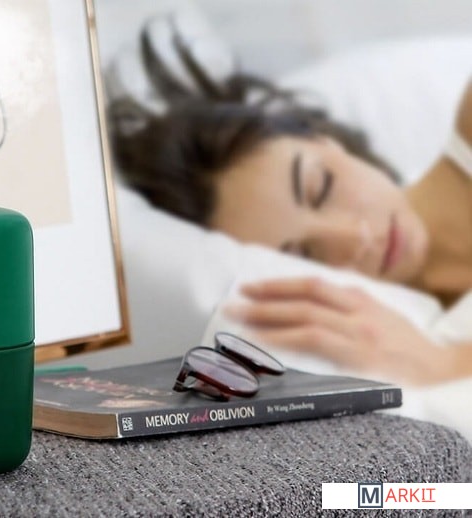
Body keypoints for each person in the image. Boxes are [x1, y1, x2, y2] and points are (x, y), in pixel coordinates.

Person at [109, 22, 472, 386]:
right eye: (305, 256)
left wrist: (450, 365)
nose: (356, 238)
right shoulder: (402, 337)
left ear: (325, 140)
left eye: (321, 188)